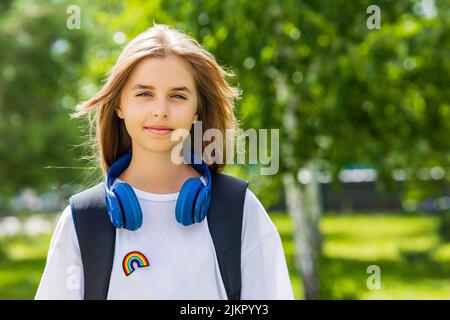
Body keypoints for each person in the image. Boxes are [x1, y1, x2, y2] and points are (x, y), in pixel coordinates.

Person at [35, 23, 294, 300]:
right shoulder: (83, 220)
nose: (160, 110)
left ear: (197, 111)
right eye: (144, 93)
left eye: (178, 96)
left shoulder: (240, 210)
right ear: (119, 105)